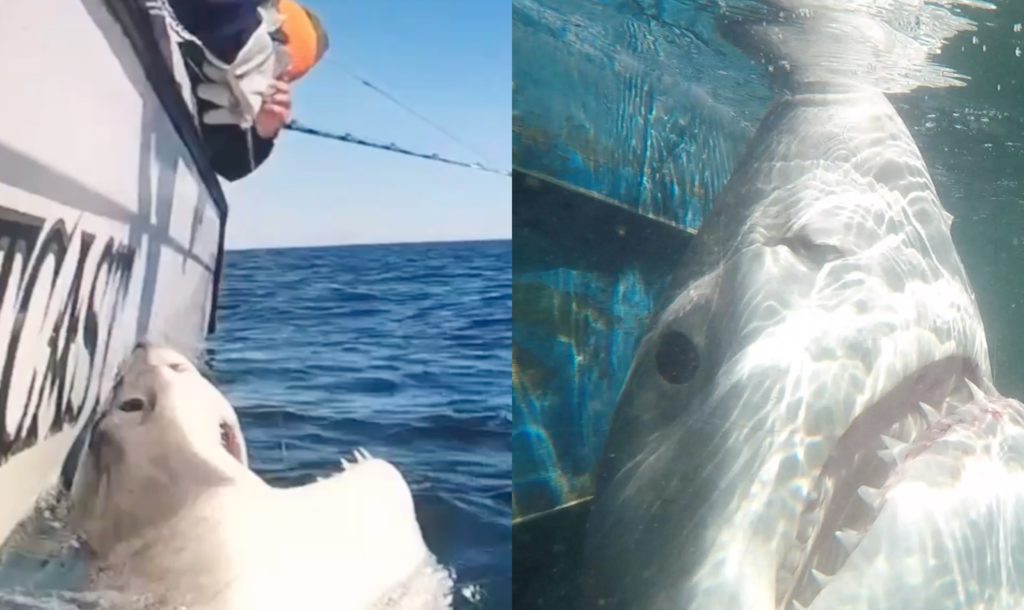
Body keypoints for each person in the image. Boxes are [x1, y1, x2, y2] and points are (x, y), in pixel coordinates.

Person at [165, 0, 329, 180]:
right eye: (273, 41)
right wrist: (240, 38)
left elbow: (229, 165)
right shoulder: (235, 27)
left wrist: (261, 132)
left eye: (277, 74)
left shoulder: (229, 101)